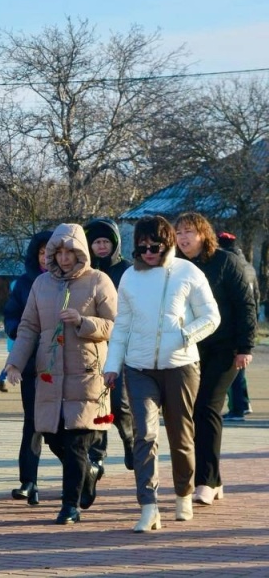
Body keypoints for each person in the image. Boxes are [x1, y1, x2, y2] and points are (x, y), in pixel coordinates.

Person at [102, 215, 220, 532]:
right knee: (145, 434)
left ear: (167, 244)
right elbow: (122, 324)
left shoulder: (187, 272)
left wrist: (184, 335)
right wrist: (112, 365)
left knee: (180, 437)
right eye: (142, 247)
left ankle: (183, 493)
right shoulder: (128, 278)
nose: (149, 252)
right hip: (139, 368)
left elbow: (212, 316)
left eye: (155, 246)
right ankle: (148, 506)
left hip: (180, 366)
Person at [4, 224, 118, 525]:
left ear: (81, 252)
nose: (65, 258)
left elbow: (115, 326)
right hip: (50, 374)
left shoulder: (98, 281)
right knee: (53, 437)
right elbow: (27, 326)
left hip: (87, 374)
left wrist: (83, 322)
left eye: (71, 252)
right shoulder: (41, 285)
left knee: (78, 441)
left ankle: (70, 506)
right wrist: (14, 363)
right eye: (59, 252)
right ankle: (88, 472)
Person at [173, 213, 257, 506]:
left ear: (203, 234)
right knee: (194, 411)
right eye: (179, 233)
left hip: (226, 349)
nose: (184, 238)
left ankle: (205, 482)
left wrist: (246, 346)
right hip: (191, 348)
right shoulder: (176, 265)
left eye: (189, 232)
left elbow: (246, 305)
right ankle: (216, 479)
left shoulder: (226, 262)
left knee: (207, 406)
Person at [2, 229, 52, 505]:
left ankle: (81, 471)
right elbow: (11, 314)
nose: (46, 257)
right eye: (41, 252)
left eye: (51, 252)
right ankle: (28, 481)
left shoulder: (69, 281)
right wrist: (16, 332)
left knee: (60, 428)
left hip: (60, 363)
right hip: (30, 362)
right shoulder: (24, 283)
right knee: (31, 423)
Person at [83, 218, 136, 474]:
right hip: (93, 346)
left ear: (115, 243)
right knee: (97, 401)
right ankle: (97, 454)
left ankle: (130, 440)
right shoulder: (86, 273)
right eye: (96, 242)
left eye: (105, 241)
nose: (101, 247)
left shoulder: (127, 269)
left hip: (122, 344)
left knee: (119, 402)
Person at [217, 231, 258, 422]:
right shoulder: (247, 266)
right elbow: (255, 297)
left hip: (231, 325)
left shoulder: (226, 263)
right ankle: (244, 402)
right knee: (240, 369)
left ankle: (238, 407)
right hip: (246, 321)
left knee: (232, 368)